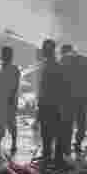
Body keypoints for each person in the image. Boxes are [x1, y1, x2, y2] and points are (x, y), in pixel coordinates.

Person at [36, 39, 65, 167]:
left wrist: (41, 104)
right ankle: (54, 158)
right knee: (53, 132)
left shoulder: (51, 66)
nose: (43, 51)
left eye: (45, 49)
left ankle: (51, 158)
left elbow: (47, 87)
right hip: (53, 104)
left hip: (49, 105)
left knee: (48, 133)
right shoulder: (52, 64)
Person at [59, 43, 87, 153]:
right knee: (81, 123)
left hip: (68, 98)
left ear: (63, 52)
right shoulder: (85, 59)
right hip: (82, 97)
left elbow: (59, 80)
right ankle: (78, 144)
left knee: (68, 124)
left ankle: (67, 147)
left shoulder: (63, 60)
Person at [0, 45, 21, 153]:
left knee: (11, 123)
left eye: (6, 55)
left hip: (10, 101)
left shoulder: (14, 69)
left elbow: (16, 86)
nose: (4, 56)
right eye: (3, 54)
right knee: (1, 122)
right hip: (1, 100)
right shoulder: (2, 69)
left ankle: (14, 144)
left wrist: (12, 99)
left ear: (10, 56)